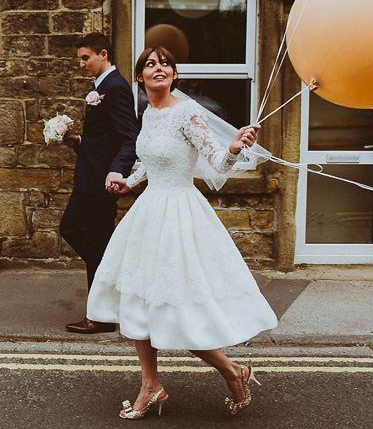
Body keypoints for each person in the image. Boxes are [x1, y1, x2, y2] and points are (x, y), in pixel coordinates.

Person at [89, 46, 278, 418]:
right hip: (147, 216)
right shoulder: (148, 112)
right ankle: (151, 385)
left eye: (165, 64)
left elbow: (215, 161)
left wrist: (235, 148)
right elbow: (148, 160)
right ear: (140, 78)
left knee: (177, 309)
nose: (158, 69)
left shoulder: (188, 112)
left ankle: (232, 370)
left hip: (179, 215)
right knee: (138, 302)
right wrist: (128, 181)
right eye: (149, 64)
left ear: (174, 74)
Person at [59, 32, 140, 334]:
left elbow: (129, 136)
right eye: (79, 59)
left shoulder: (115, 87)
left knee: (89, 239)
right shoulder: (101, 86)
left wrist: (117, 170)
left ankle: (102, 312)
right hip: (90, 177)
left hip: (101, 182)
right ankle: (105, 297)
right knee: (82, 236)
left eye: (85, 58)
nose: (81, 64)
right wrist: (78, 140)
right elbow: (104, 136)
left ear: (103, 54)